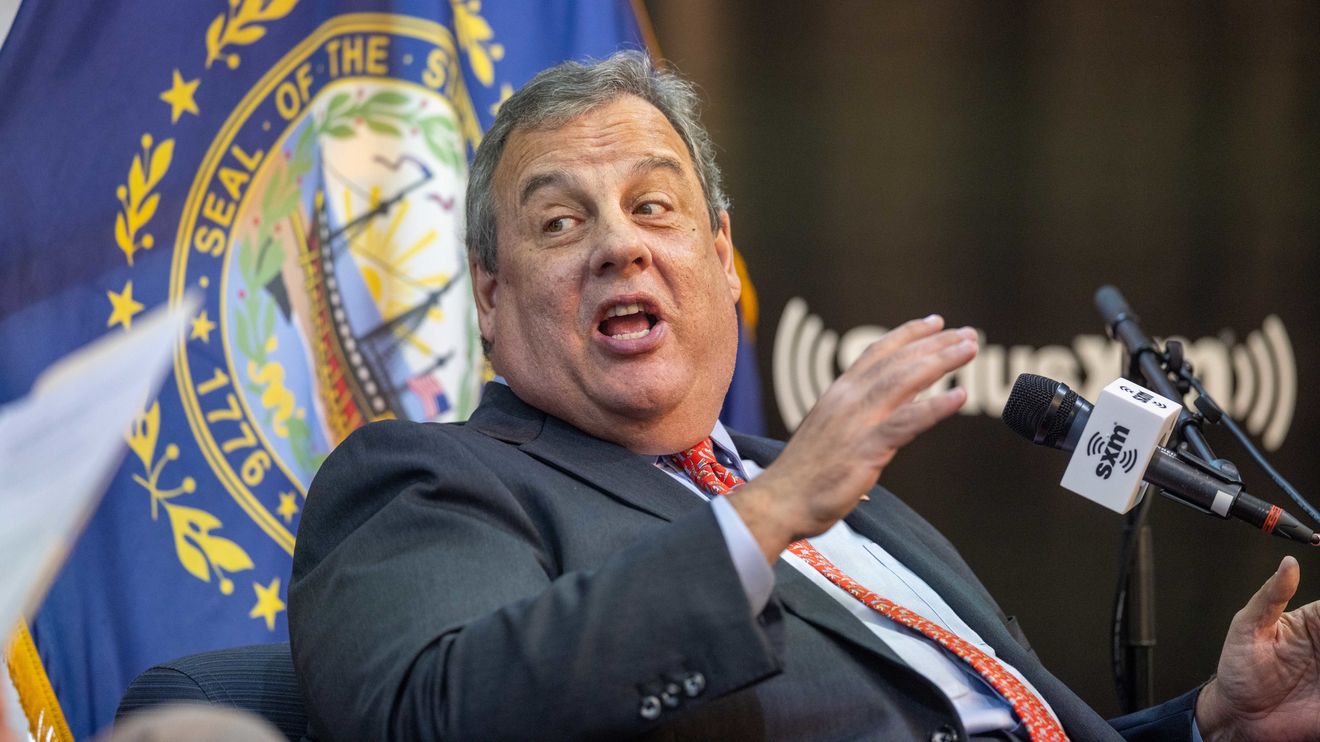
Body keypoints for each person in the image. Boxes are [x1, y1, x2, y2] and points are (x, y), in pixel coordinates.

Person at [288, 51, 1320, 741]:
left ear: (720, 253)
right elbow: (430, 715)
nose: (618, 245)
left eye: (655, 205)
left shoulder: (837, 495)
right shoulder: (427, 481)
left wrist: (1213, 722)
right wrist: (765, 517)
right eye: (559, 223)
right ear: (489, 295)